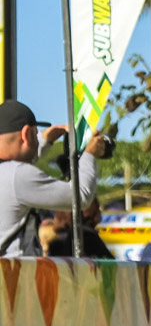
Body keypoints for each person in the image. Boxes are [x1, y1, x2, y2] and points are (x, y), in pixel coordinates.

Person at [0, 102, 107, 258]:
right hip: (12, 278)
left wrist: (45, 140)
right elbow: (81, 197)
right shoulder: (18, 175)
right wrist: (89, 154)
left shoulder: (9, 174)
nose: (37, 140)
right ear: (26, 134)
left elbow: (12, 170)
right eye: (35, 134)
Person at [48, 199, 114, 259]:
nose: (100, 211)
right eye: (98, 208)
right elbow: (110, 263)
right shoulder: (87, 236)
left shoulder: (56, 241)